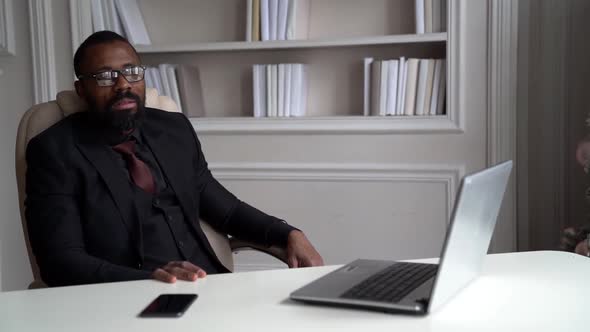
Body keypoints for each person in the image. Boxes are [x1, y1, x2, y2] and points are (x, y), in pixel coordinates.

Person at [24, 31, 323, 287]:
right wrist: (146, 279)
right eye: (105, 77)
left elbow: (226, 210)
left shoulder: (173, 129)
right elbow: (60, 261)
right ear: (81, 89)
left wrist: (289, 233)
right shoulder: (54, 151)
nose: (123, 84)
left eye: (132, 72)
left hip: (212, 286)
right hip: (128, 300)